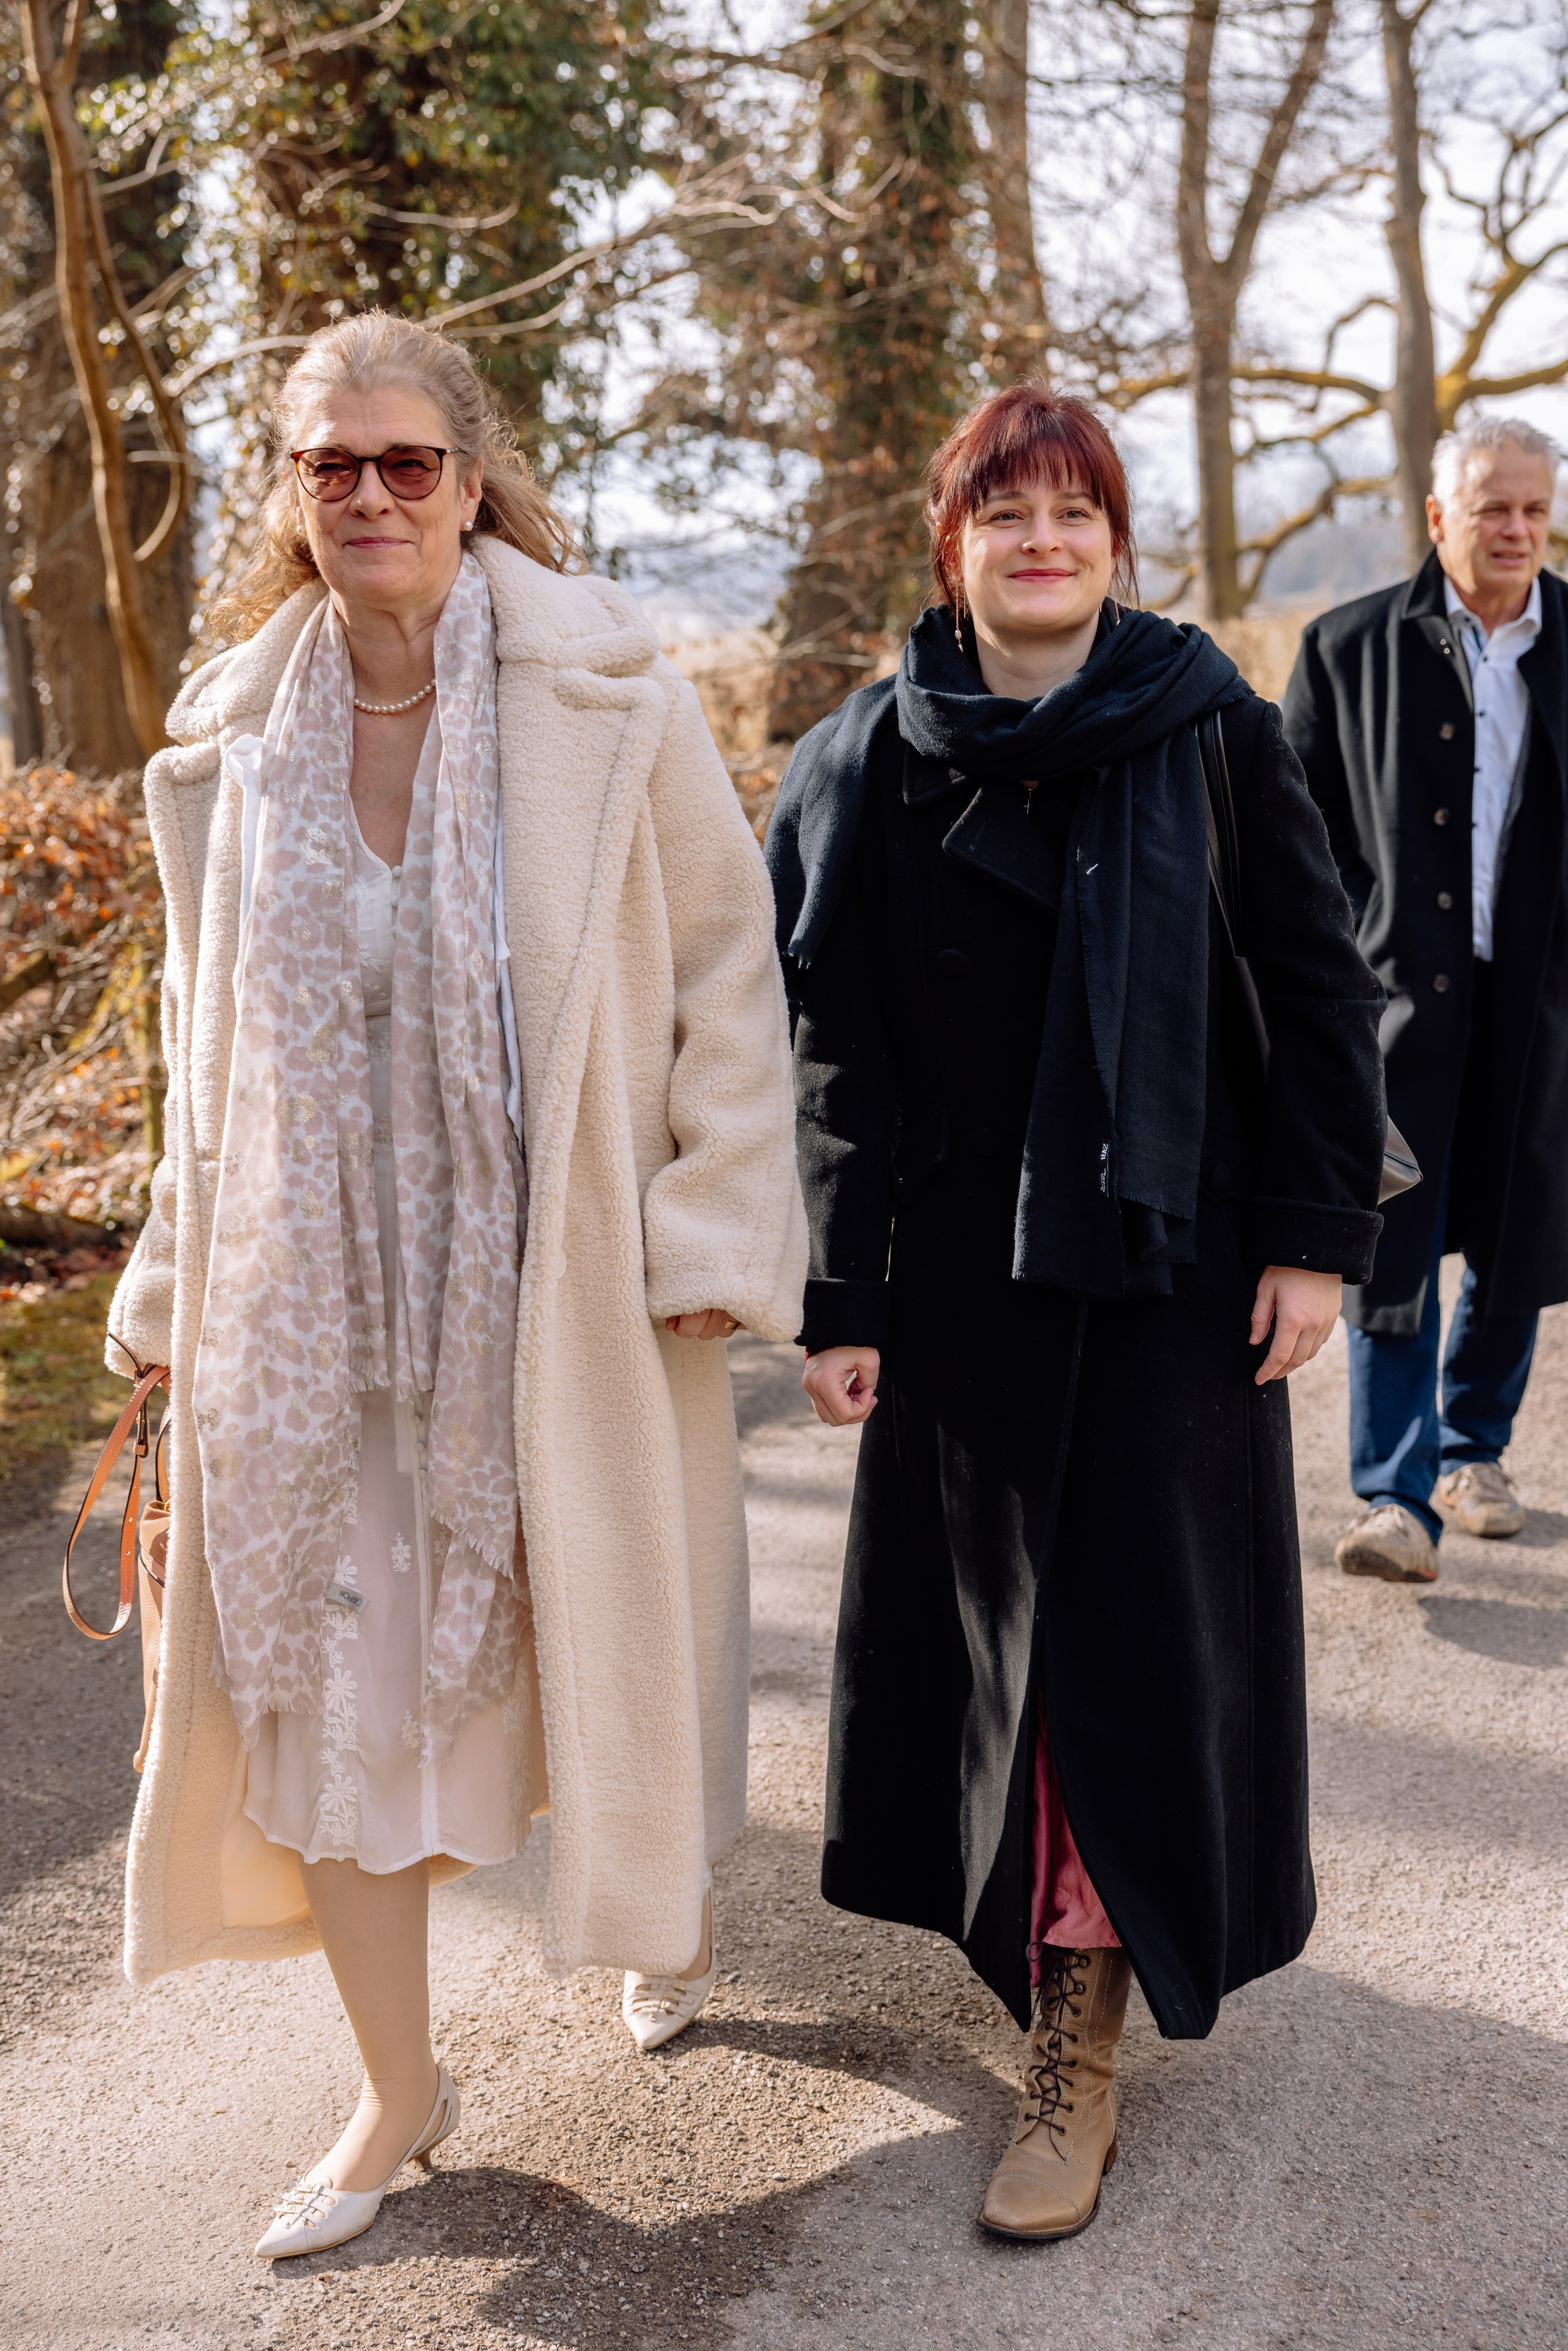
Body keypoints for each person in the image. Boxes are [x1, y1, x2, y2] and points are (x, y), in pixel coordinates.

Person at [106, 314, 805, 2261]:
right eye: (330, 465)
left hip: (556, 1294)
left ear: (472, 480)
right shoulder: (233, 745)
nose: (370, 495)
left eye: (406, 461)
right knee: (331, 1712)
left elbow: (728, 968)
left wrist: (713, 1220)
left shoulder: (611, 696)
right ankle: (396, 2086)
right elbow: (198, 1060)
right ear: (293, 491)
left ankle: (655, 1912)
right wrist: (165, 1291)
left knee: (597, 1659)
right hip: (306, 1326)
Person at [765, 384, 1386, 2243]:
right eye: (1005, 513)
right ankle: (1039, 1946)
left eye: (1074, 513)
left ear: (1117, 541)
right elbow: (834, 1049)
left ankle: (1077, 2027)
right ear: (949, 543)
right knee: (999, 1651)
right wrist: (842, 1292)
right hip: (965, 1283)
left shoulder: (1210, 725)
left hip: (1173, 1268)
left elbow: (1318, 987)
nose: (1041, 542)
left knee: (1124, 1647)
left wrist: (1312, 1240)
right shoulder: (866, 755)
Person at [1283, 417, 1568, 1584]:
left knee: (1518, 1225)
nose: (1517, 529)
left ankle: (1475, 1451)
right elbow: (1293, 838)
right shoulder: (1346, 646)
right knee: (1390, 1233)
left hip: (1544, 1007)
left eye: (1535, 508)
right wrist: (1353, 950)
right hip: (1393, 1005)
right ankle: (1395, 1495)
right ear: (1440, 516)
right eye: (1493, 507)